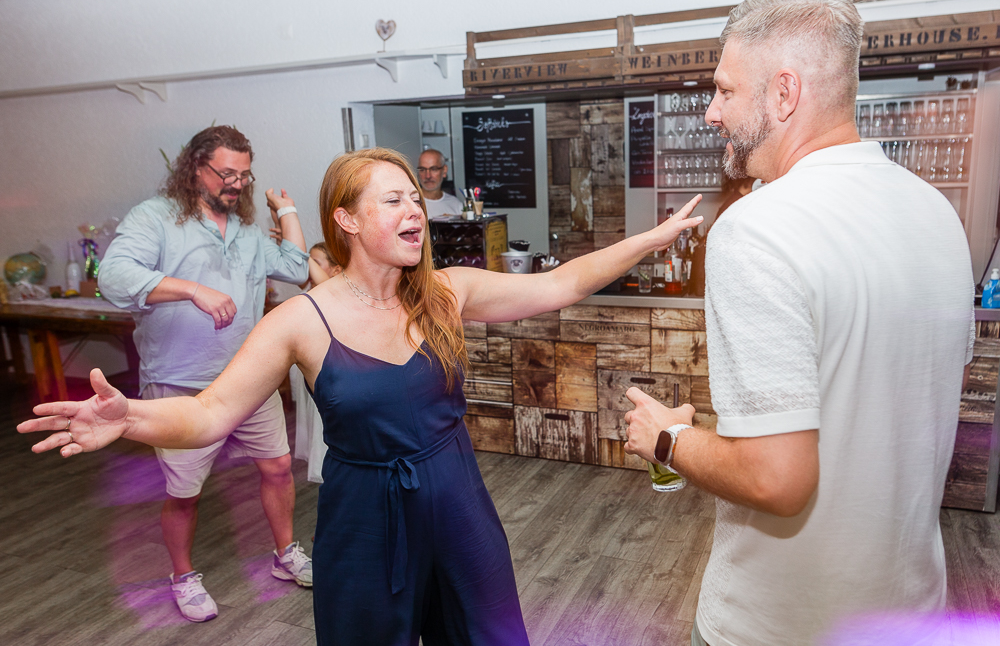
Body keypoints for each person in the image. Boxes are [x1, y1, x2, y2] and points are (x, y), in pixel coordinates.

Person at [21, 147, 702, 645]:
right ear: (345, 219)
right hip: (363, 517)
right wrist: (130, 415)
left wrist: (653, 237)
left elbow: (562, 285)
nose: (416, 210)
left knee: (491, 633)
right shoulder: (299, 320)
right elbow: (208, 412)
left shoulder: (445, 292)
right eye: (394, 199)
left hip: (456, 497)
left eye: (416, 197)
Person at [622, 0, 975, 646]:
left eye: (725, 90)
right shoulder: (936, 213)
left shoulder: (760, 228)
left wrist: (667, 437)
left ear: (783, 94)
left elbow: (776, 477)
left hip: (782, 625)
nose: (709, 112)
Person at [96, 125, 313, 623]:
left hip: (249, 379)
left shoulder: (247, 231)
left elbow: (297, 267)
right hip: (180, 386)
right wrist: (192, 290)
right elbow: (113, 276)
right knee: (184, 492)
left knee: (278, 468)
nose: (236, 184)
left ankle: (285, 555)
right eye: (225, 173)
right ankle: (182, 577)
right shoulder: (155, 218)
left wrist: (287, 211)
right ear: (195, 168)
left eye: (244, 175)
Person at [291, 242, 342, 483]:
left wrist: (301, 254)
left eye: (316, 261)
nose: (308, 264)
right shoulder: (306, 296)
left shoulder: (333, 292)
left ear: (335, 270)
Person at [417, 149, 463, 217]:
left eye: (433, 169)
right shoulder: (412, 205)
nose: (428, 176)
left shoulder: (456, 205)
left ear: (444, 171)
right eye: (422, 170)